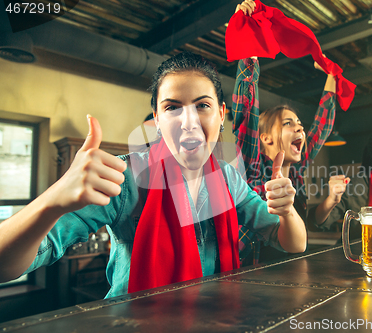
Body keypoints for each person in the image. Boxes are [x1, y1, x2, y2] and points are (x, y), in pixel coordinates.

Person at [0, 52, 307, 298]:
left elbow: (292, 243)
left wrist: (288, 211)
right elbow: (7, 267)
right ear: (158, 121)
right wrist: (52, 200)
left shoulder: (228, 178)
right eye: (173, 107)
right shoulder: (127, 176)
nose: (188, 120)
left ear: (222, 114)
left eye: (202, 105)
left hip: (218, 321)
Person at [232, 0, 348, 264]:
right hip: (252, 277)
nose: (299, 128)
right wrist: (249, 43)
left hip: (291, 275)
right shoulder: (250, 168)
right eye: (288, 123)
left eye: (299, 124)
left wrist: (332, 78)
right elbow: (246, 112)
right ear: (265, 138)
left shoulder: (296, 172)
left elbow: (321, 128)